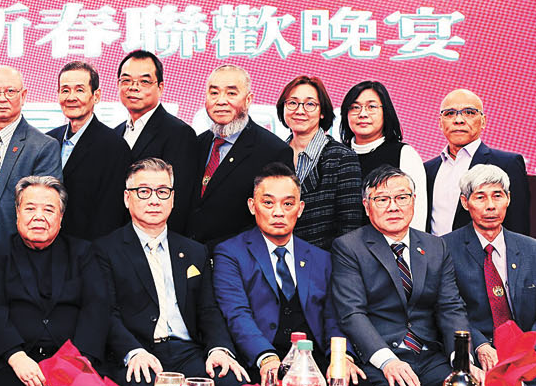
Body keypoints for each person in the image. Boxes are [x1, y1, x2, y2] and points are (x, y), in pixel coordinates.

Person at [95, 159, 248, 386]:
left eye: (162, 191)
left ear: (173, 198)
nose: (154, 200)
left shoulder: (194, 251)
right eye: (143, 191)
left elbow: (208, 309)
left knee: (234, 385)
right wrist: (133, 352)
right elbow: (106, 314)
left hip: (187, 352)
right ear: (127, 198)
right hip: (140, 351)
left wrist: (219, 349)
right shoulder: (105, 250)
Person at [212, 163, 368, 386]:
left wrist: (341, 357)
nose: (278, 212)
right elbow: (237, 314)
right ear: (252, 206)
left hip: (314, 362)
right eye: (268, 203)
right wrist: (265, 357)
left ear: (300, 208)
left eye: (288, 204)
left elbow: (334, 317)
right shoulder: (230, 253)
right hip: (259, 359)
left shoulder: (321, 258)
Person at [0, 175, 109, 386]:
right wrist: (16, 357)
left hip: (73, 360)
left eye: (49, 210)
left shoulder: (83, 252)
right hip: (15, 360)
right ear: (17, 213)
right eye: (30, 208)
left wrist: (75, 362)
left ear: (61, 217)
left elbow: (97, 307)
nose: (39, 217)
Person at [331, 166, 468, 386]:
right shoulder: (349, 247)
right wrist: (388, 361)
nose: (393, 207)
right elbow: (352, 313)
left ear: (414, 200)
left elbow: (450, 307)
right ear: (366, 205)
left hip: (430, 356)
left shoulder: (435, 246)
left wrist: (462, 360)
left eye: (402, 197)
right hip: (381, 356)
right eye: (382, 199)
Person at [443, 165, 536, 382]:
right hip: (479, 353)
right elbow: (448, 311)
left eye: (497, 196)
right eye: (480, 197)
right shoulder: (445, 249)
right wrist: (479, 345)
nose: (491, 206)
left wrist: (533, 352)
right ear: (465, 202)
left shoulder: (535, 250)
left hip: (525, 353)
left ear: (508, 199)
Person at [185, 65, 291, 248]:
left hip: (239, 258)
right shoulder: (196, 144)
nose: (221, 101)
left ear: (248, 99)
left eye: (231, 93)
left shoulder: (273, 151)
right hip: (188, 254)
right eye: (214, 93)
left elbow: (274, 218)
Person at [0, 66, 61, 247]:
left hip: (19, 252)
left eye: (10, 91)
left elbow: (46, 207)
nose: (2, 98)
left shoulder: (43, 146)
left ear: (23, 96)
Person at [113, 50, 198, 233]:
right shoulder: (115, 133)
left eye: (144, 81)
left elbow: (179, 200)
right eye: (126, 80)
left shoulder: (179, 133)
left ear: (160, 87)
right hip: (117, 238)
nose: (133, 87)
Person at [426, 89, 531, 235]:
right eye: (449, 113)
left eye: (469, 112)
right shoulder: (427, 169)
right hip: (432, 249)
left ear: (483, 121)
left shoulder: (507, 164)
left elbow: (517, 225)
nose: (458, 120)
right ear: (440, 123)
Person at [277, 76, 363, 250]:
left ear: (322, 112)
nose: (300, 110)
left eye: (310, 104)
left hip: (325, 260)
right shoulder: (272, 154)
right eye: (292, 103)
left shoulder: (342, 158)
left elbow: (350, 226)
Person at [49, 60, 131, 240]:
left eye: (79, 90)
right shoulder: (48, 140)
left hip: (88, 249)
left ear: (96, 95)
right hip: (46, 248)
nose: (71, 97)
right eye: (65, 90)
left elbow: (111, 214)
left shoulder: (114, 146)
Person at [341, 81, 427, 231]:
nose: (362, 114)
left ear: (385, 112)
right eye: (355, 107)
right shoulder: (337, 155)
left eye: (371, 107)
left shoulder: (404, 154)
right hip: (343, 244)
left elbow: (417, 214)